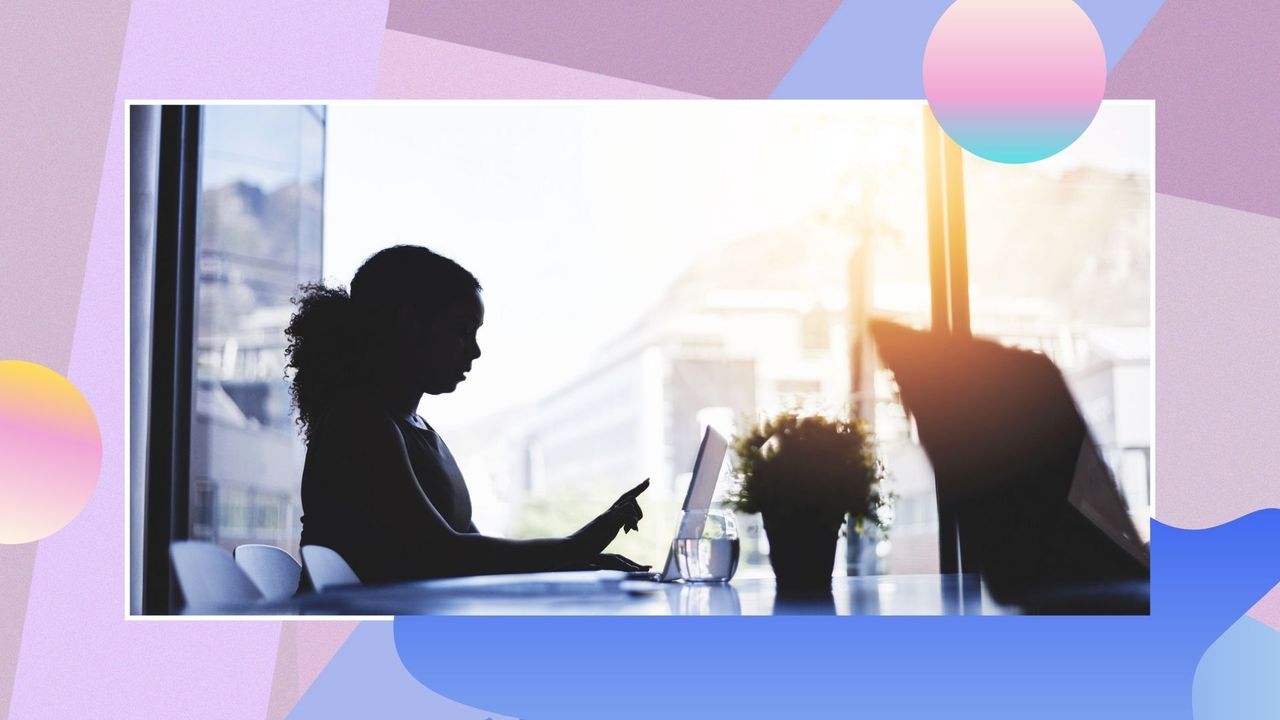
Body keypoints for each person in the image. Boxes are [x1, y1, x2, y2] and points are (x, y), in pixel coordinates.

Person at [285, 245, 649, 588]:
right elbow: (442, 554)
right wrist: (577, 546)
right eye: (462, 330)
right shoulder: (359, 423)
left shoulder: (414, 430)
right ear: (410, 323)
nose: (474, 351)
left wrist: (579, 560)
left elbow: (471, 551)